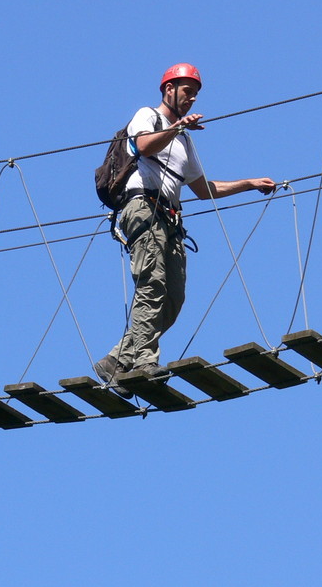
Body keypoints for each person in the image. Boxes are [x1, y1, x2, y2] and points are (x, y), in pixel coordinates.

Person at [93, 63, 276, 397]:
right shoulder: (147, 116)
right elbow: (144, 146)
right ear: (169, 90)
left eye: (195, 93)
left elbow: (204, 189)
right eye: (187, 91)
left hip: (170, 218)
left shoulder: (184, 142)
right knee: (152, 283)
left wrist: (249, 184)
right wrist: (176, 127)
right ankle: (145, 362)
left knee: (172, 299)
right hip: (142, 208)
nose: (191, 99)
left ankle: (117, 361)